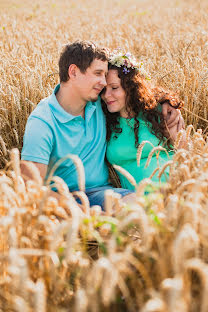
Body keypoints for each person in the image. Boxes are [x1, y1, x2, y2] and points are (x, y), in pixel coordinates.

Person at [21, 41, 182, 208]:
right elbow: (31, 186)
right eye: (98, 73)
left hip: (101, 193)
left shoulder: (99, 102)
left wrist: (167, 104)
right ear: (73, 72)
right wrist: (80, 212)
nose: (104, 83)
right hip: (61, 200)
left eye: (104, 76)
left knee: (136, 206)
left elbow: (133, 91)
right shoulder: (42, 122)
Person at [101, 51, 184, 190]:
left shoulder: (161, 112)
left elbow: (184, 153)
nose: (107, 95)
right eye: (104, 89)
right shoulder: (103, 121)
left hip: (177, 191)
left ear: (131, 87)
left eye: (114, 88)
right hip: (138, 202)